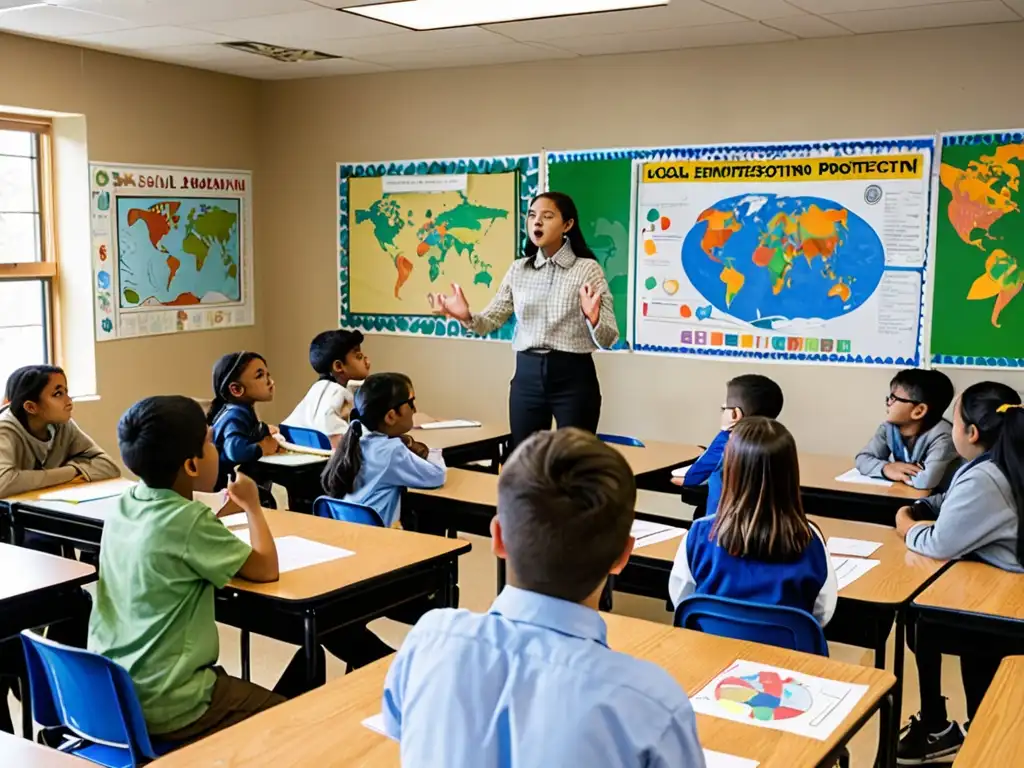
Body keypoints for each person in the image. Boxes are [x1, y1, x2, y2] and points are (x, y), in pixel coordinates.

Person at [382, 428, 705, 767]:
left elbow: (400, 732)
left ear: (498, 537)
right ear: (622, 557)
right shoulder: (653, 706)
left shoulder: (429, 640)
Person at [88, 396, 315, 744]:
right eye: (210, 442)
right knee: (294, 722)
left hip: (111, 693)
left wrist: (219, 515)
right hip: (170, 702)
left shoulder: (125, 504)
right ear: (192, 465)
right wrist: (253, 507)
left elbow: (179, 537)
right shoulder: (189, 522)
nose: (216, 449)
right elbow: (266, 569)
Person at [894, 382, 1024, 764]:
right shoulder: (1001, 460)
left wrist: (905, 521)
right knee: (944, 615)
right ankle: (975, 723)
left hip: (1008, 604)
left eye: (954, 423)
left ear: (971, 432)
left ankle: (942, 728)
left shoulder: (985, 476)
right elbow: (952, 500)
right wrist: (925, 504)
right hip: (1005, 586)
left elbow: (938, 543)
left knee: (922, 620)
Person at [430, 192, 618, 450]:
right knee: (524, 457)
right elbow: (491, 320)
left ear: (568, 225)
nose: (537, 222)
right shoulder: (518, 269)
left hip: (573, 376)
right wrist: (467, 317)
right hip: (527, 375)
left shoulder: (587, 269)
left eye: (547, 216)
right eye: (532, 216)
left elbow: (609, 338)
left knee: (574, 459)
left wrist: (594, 319)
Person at [669, 417, 837, 625]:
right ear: (791, 473)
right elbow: (821, 614)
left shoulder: (698, 534)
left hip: (710, 652)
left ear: (730, 471)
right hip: (785, 655)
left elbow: (683, 602)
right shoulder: (810, 538)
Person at [322, 372, 445, 529]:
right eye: (411, 403)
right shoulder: (392, 451)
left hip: (349, 535)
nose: (415, 410)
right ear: (391, 416)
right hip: (377, 541)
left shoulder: (355, 440)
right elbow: (436, 475)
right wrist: (429, 451)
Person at [0, 364, 120, 498]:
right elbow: (3, 484)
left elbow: (109, 466)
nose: (69, 401)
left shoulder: (63, 425)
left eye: (66, 392)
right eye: (58, 394)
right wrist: (73, 472)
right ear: (31, 407)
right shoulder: (4, 429)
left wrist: (64, 472)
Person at [677, 374, 783, 519]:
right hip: (764, 528)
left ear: (734, 414)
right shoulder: (779, 446)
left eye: (724, 408)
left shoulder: (725, 448)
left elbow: (692, 478)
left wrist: (725, 432)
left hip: (719, 531)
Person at [856, 368, 957, 489]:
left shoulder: (943, 437)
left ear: (919, 411)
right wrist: (886, 468)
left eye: (894, 398)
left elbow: (925, 481)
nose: (888, 403)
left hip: (941, 501)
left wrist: (892, 470)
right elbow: (862, 459)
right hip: (908, 496)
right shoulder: (888, 428)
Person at [283, 329, 371, 449]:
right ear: (339, 366)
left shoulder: (318, 388)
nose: (367, 361)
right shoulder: (337, 393)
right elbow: (336, 438)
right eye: (359, 357)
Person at [207, 351, 279, 495]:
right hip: (227, 489)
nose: (270, 381)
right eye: (260, 376)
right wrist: (262, 447)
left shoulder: (239, 410)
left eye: (268, 374)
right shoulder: (235, 416)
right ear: (236, 389)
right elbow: (235, 451)